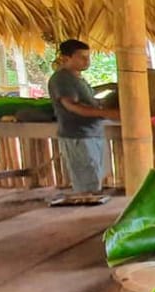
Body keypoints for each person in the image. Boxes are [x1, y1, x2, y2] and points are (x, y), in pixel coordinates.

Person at [48, 39, 119, 195]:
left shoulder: (77, 78)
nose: (87, 61)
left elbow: (87, 101)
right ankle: (85, 214)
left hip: (92, 133)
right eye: (82, 57)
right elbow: (72, 106)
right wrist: (106, 113)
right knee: (86, 183)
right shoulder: (62, 79)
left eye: (88, 57)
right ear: (66, 58)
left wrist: (107, 89)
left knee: (95, 179)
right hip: (78, 135)